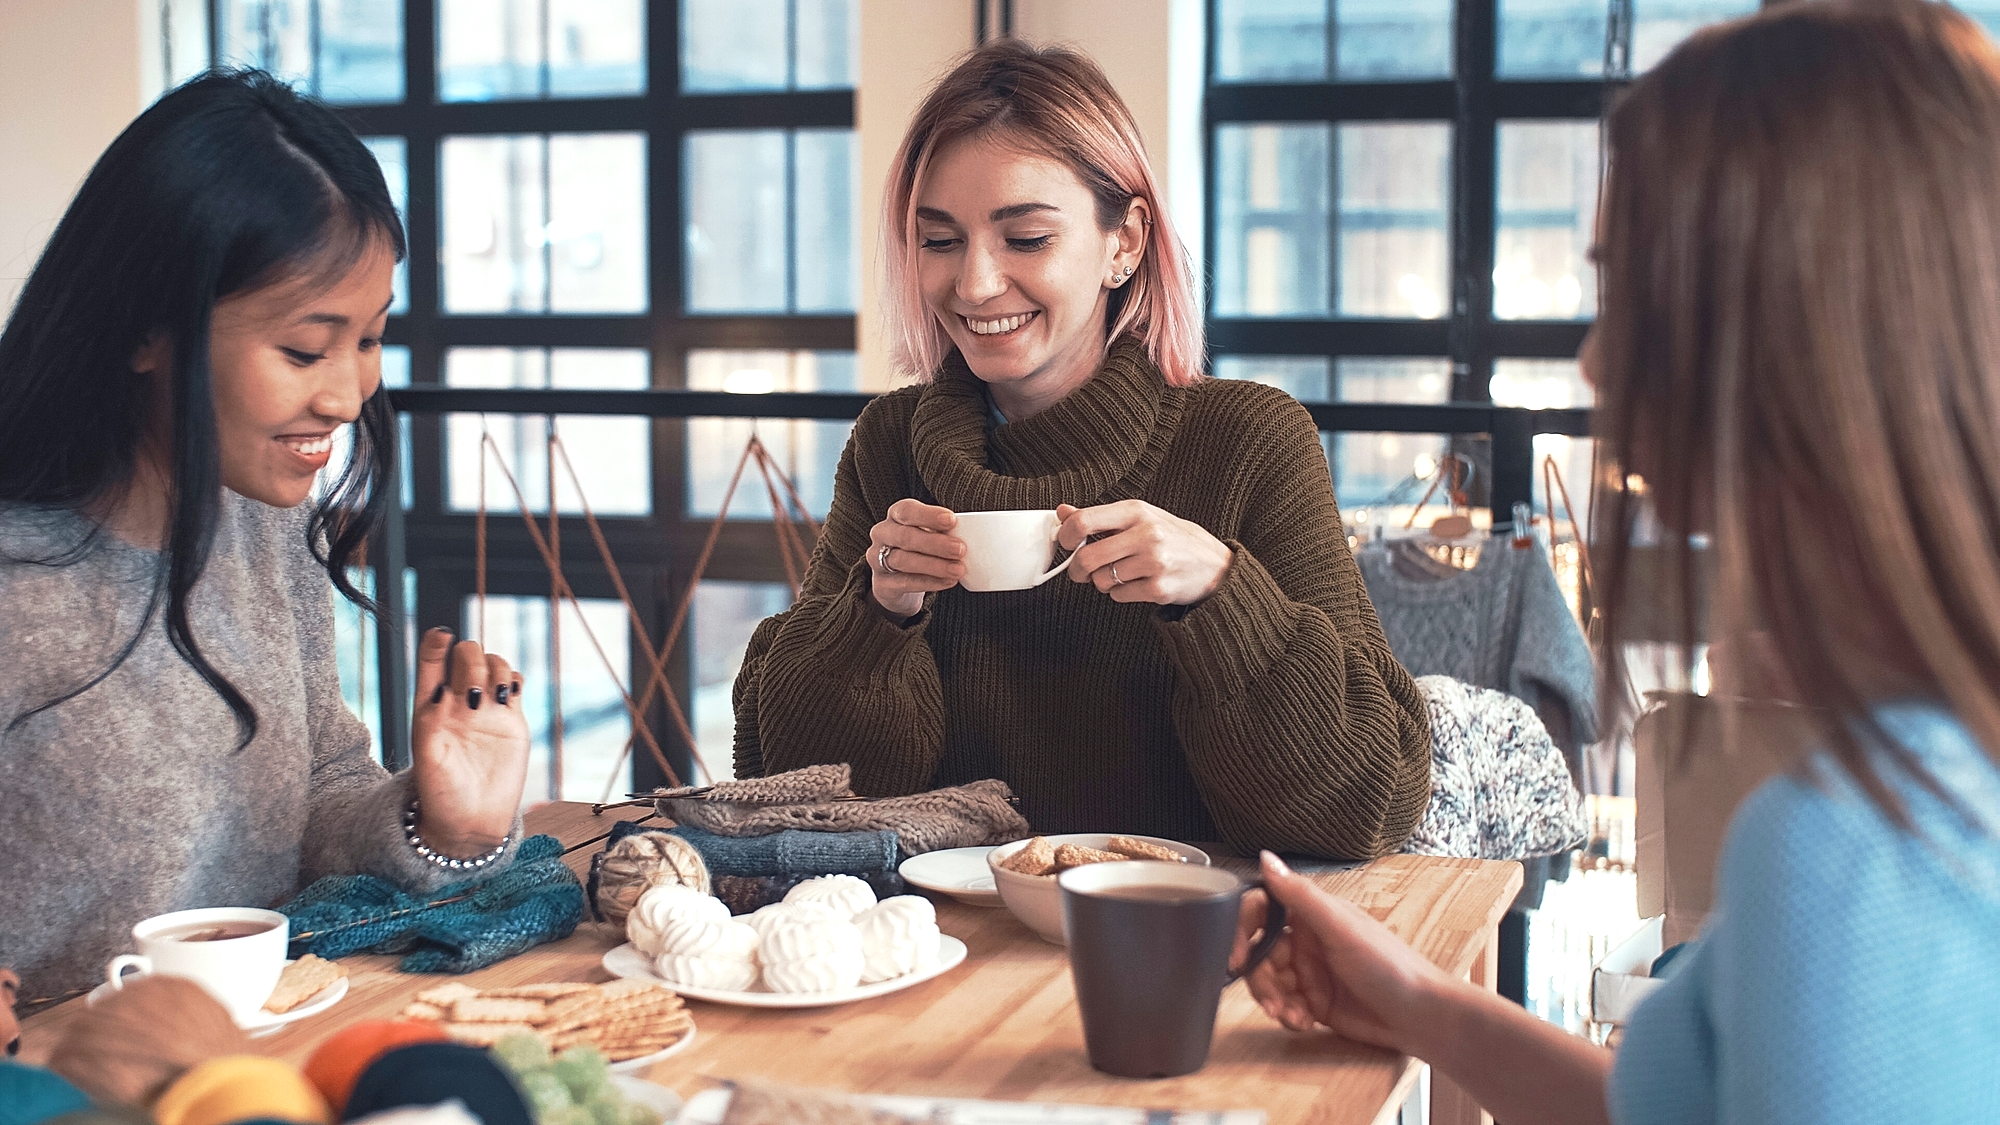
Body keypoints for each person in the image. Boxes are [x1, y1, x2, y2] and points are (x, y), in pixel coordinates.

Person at [1232, 2, 2000, 1121]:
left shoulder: (1851, 856)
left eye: (1631, 295)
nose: (1593, 357)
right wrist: (1413, 1003)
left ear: (1793, 329)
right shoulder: (1932, 777)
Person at [731, 40, 1431, 860]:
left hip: (1171, 946)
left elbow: (1367, 805)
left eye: (1025, 238)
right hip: (940, 955)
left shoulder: (1249, 440)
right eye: (940, 241)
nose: (975, 284)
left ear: (1123, 243)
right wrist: (876, 617)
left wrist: (1218, 595)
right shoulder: (891, 444)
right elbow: (795, 797)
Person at [0, 72, 532, 1007]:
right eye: (303, 348)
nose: (345, 393)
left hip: (269, 1060)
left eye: (368, 339)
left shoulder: (267, 528)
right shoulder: (19, 582)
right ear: (142, 331)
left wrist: (439, 819)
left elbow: (319, 794)